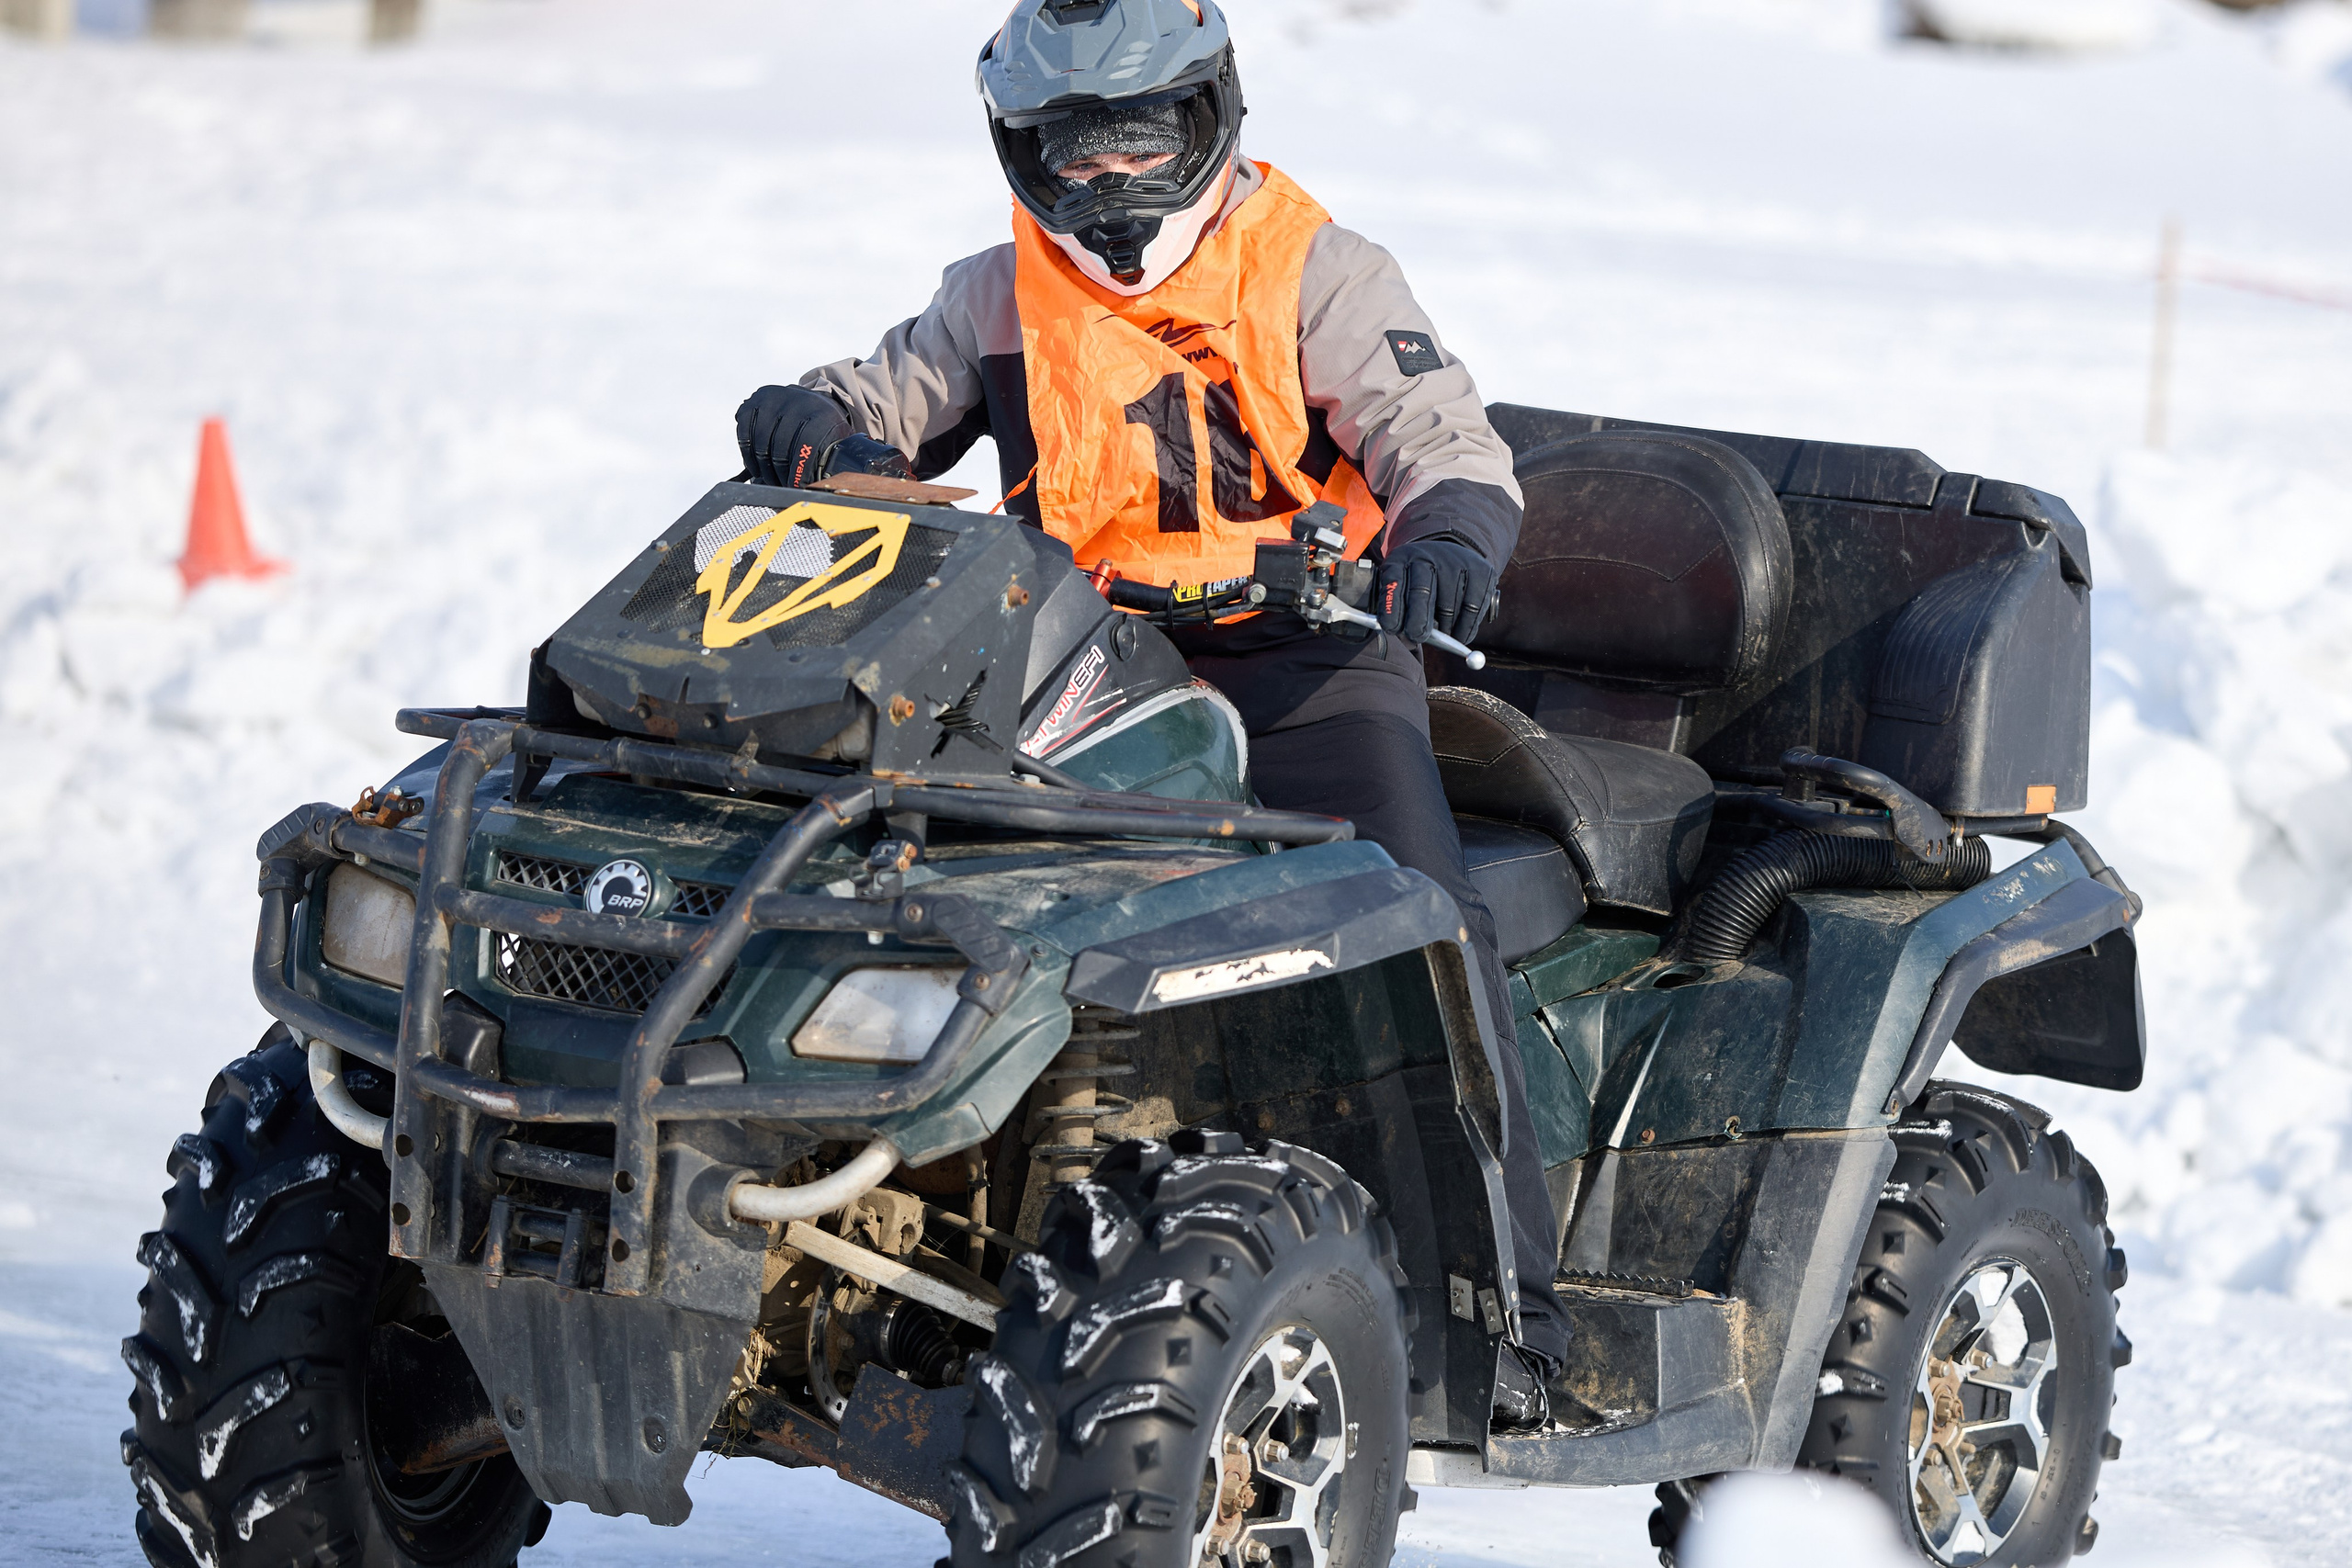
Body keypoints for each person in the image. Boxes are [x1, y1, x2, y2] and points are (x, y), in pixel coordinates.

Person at [733, 0, 1562, 1431]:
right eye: (1073, 149)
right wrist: (810, 426)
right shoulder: (996, 290)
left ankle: (1514, 1312)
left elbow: (1448, 441)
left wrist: (1449, 542)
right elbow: (872, 399)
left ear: (1210, 119)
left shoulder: (1318, 270)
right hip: (1066, 667)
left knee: (1426, 921)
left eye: (1139, 140)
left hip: (1304, 663)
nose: (1109, 184)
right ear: (1022, 148)